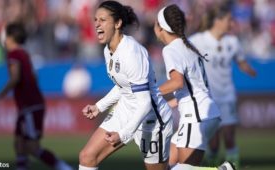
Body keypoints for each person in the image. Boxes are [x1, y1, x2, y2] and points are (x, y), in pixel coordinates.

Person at [78, 1, 174, 170]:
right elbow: (123, 86)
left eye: (102, 20)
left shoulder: (132, 53)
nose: (96, 24)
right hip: (125, 110)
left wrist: (123, 135)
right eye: (95, 20)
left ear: (118, 23)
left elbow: (144, 103)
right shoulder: (108, 50)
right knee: (87, 157)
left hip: (151, 119)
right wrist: (99, 107)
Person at [153, 4, 236, 170]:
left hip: (196, 116)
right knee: (167, 165)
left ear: (161, 27)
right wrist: (163, 104)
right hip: (206, 113)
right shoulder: (187, 44)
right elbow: (190, 90)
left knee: (184, 169)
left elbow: (177, 82)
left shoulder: (170, 49)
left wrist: (150, 95)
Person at [0, 23, 73, 170]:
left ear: (11, 38)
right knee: (19, 143)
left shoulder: (13, 54)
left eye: (6, 36)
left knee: (32, 147)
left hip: (29, 106)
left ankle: (64, 168)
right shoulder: (24, 54)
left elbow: (15, 78)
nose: (4, 40)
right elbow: (34, 76)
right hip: (30, 104)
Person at [189, 2, 256, 169]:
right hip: (208, 97)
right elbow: (184, 54)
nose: (232, 23)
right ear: (217, 21)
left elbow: (241, 62)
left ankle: (234, 165)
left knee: (229, 136)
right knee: (213, 142)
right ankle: (213, 164)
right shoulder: (198, 40)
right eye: (229, 20)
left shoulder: (232, 42)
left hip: (227, 95)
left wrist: (250, 70)